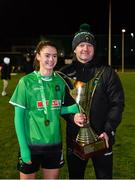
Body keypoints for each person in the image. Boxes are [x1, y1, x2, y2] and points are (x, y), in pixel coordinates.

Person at [9, 40, 85, 179]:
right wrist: (24, 148)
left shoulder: (60, 82)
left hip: (54, 144)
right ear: (38, 56)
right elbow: (18, 117)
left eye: (55, 56)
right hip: (31, 144)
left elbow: (54, 109)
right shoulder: (26, 82)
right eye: (47, 55)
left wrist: (71, 109)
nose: (51, 59)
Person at [59, 23, 125, 179]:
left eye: (89, 45)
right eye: (81, 44)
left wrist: (108, 130)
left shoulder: (107, 72)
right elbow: (59, 104)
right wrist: (71, 117)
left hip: (102, 138)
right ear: (75, 48)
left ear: (94, 49)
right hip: (75, 138)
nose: (85, 49)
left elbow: (117, 103)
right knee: (75, 177)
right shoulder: (63, 74)